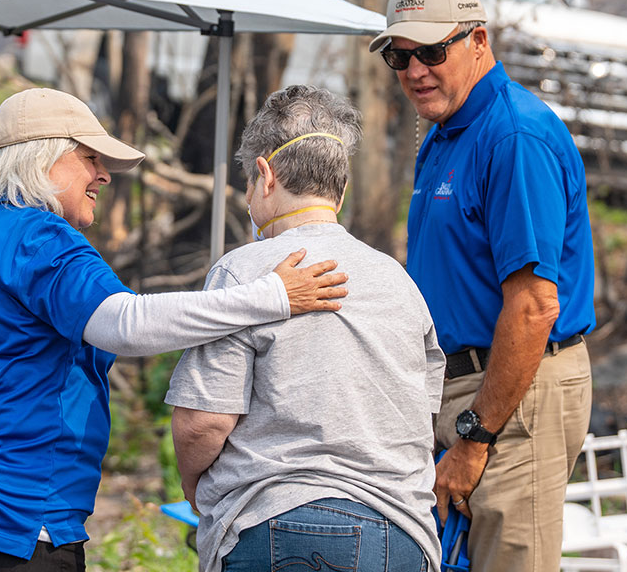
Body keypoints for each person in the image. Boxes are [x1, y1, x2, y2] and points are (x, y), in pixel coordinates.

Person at [0, 87, 349, 572]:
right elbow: (126, 324)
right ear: (41, 159)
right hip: (7, 520)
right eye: (89, 158)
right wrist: (273, 296)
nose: (102, 175)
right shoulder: (38, 234)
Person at [369, 0, 596, 571]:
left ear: (478, 40)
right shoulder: (445, 133)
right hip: (462, 391)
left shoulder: (513, 137)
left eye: (433, 51)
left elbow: (534, 306)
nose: (416, 70)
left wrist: (476, 437)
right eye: (401, 56)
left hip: (513, 392)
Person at [166, 85, 446, 572]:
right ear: (341, 184)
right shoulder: (400, 283)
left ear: (265, 175)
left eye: (248, 186)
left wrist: (196, 488)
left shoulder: (244, 271)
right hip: (402, 533)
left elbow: (203, 422)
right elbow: (424, 414)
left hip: (277, 520)